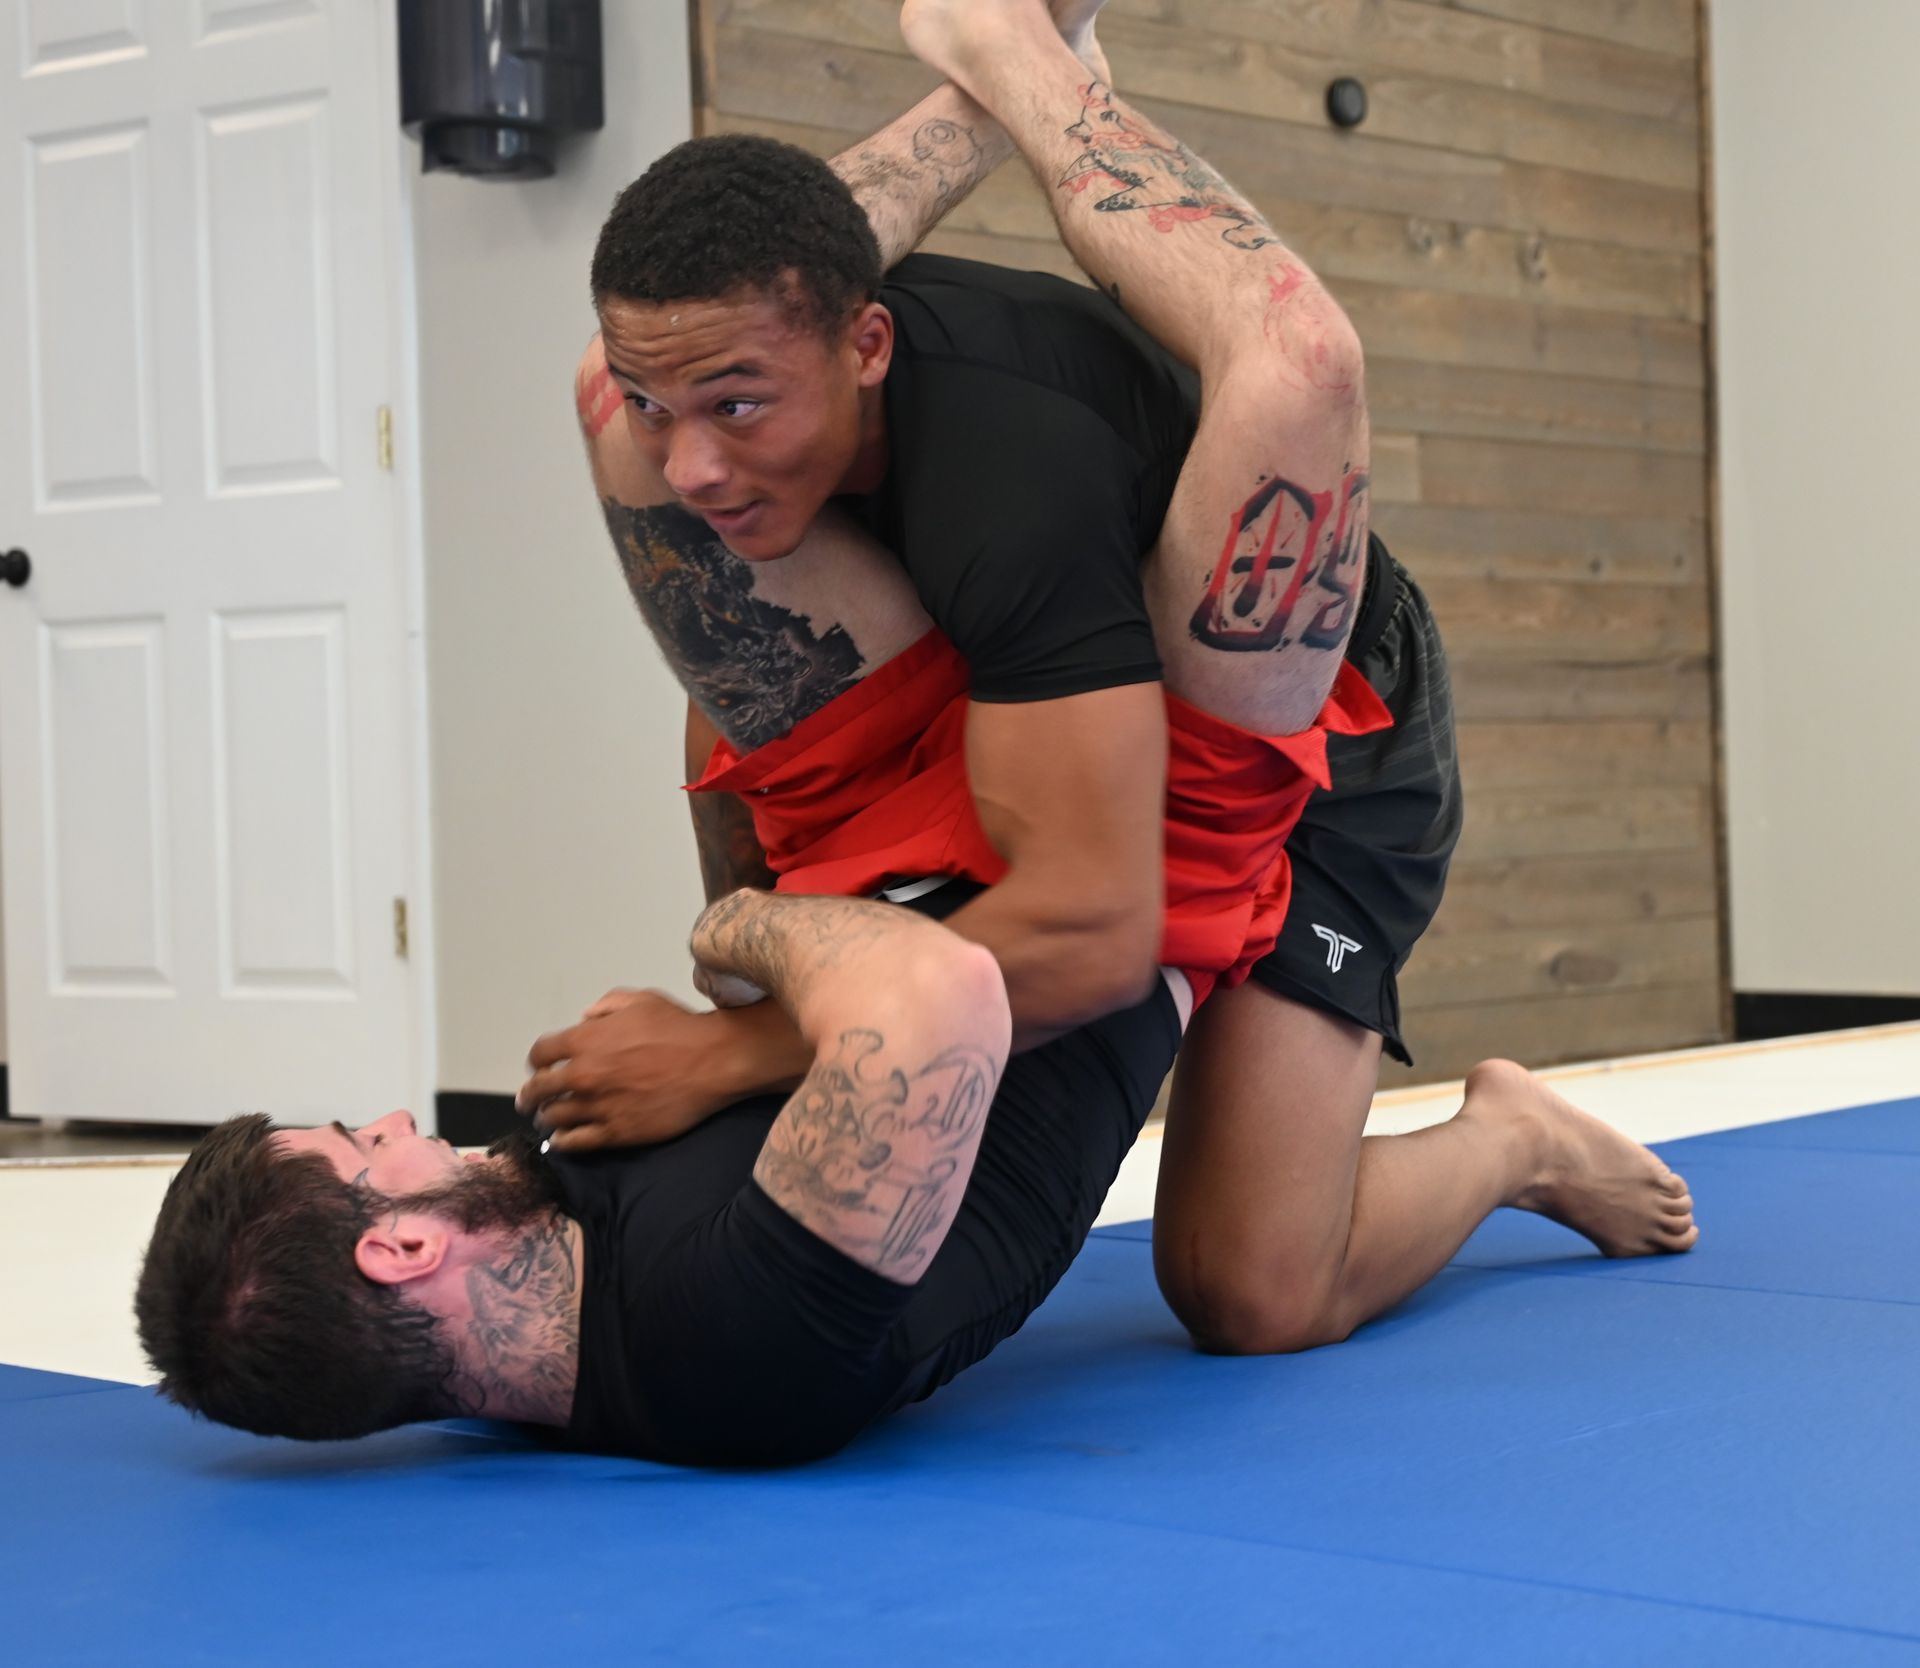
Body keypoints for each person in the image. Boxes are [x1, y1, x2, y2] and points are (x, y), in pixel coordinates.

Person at [532, 0, 1698, 1362]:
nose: (696, 468)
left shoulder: (1010, 487)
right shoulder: (743, 391)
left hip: (1305, 722)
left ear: (865, 350)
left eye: (738, 407)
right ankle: (1008, 67)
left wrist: (730, 1056)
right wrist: (756, 951)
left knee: (1254, 1291)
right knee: (614, 419)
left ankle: (1509, 1138)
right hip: (1022, 683)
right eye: (674, 404)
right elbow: (728, 650)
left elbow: (1097, 936)